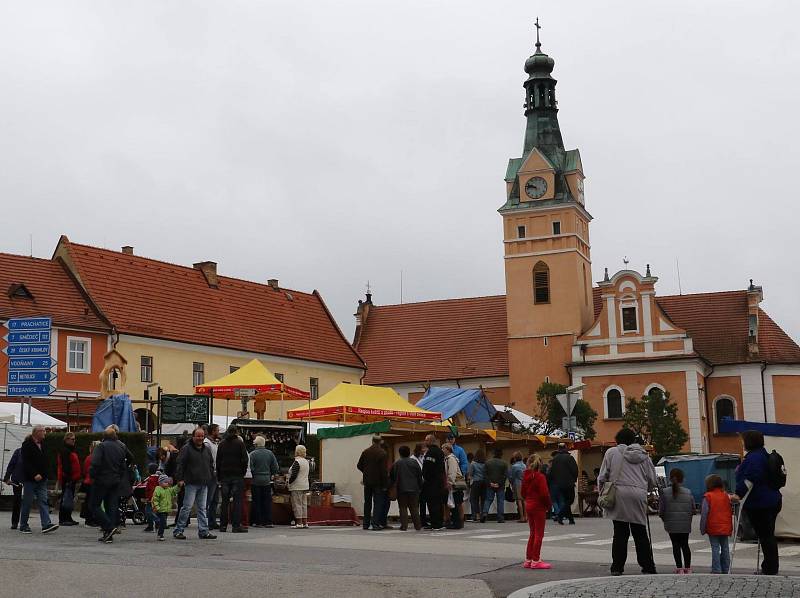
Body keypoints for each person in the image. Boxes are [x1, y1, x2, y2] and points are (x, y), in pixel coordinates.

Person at [597, 428, 657, 576]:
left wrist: (602, 492)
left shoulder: (611, 453)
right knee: (640, 532)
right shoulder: (644, 456)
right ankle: (647, 565)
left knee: (620, 533)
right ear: (633, 440)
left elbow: (602, 476)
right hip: (638, 494)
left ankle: (617, 567)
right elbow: (652, 480)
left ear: (618, 440)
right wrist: (644, 490)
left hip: (618, 494)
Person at [734, 430, 782, 575]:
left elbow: (750, 478)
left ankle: (770, 569)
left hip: (761, 502)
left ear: (749, 442)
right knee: (768, 536)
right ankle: (769, 566)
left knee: (766, 537)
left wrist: (738, 494)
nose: (742, 443)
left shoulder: (754, 458)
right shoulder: (763, 454)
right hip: (772, 499)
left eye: (743, 440)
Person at [89, 426, 132, 543]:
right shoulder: (121, 447)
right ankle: (109, 535)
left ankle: (109, 527)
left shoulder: (101, 446)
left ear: (104, 437)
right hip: (115, 481)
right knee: (111, 506)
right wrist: (119, 476)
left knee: (94, 505)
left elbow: (95, 463)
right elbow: (125, 464)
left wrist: (93, 475)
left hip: (101, 480)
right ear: (115, 436)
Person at [173, 428, 217, 540]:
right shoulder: (186, 449)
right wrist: (180, 479)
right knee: (187, 507)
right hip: (191, 482)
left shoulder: (206, 449)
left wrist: (210, 475)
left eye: (202, 436)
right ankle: (179, 530)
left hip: (204, 482)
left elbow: (211, 464)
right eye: (198, 436)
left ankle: (203, 531)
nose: (200, 438)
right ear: (193, 436)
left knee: (202, 509)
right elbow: (180, 464)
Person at [19, 426, 59, 535]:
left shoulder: (44, 445)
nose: (45, 433)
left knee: (43, 501)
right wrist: (34, 474)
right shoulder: (27, 445)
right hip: (30, 479)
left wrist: (44, 474)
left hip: (42, 479)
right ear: (36, 432)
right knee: (27, 502)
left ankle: (46, 524)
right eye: (43, 431)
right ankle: (23, 525)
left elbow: (47, 461)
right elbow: (26, 462)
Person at [659, 468, 694, 573]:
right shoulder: (688, 492)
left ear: (670, 478)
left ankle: (679, 568)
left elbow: (661, 510)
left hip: (671, 523)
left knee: (675, 545)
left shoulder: (664, 492)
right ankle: (687, 568)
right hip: (685, 523)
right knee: (685, 545)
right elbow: (692, 509)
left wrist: (664, 519)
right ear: (682, 479)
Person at [521, 454, 552, 569]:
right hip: (539, 506)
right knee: (539, 534)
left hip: (529, 504)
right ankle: (536, 560)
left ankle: (528, 559)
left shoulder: (526, 476)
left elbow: (523, 492)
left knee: (532, 533)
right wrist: (548, 505)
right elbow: (544, 494)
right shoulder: (540, 477)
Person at [216, 425, 249, 533]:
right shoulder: (240, 444)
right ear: (236, 432)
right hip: (237, 476)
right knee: (237, 501)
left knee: (224, 502)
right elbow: (245, 460)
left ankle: (223, 525)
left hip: (225, 476)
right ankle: (235, 526)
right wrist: (242, 473)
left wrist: (219, 476)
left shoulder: (221, 444)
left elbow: (218, 461)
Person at [700, 474, 733, 574]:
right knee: (725, 548)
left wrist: (702, 528)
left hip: (713, 526)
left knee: (715, 548)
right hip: (725, 526)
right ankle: (726, 568)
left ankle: (716, 569)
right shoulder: (726, 496)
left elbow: (704, 514)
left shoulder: (708, 496)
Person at [357, 435, 388, 531]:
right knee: (377, 503)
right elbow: (383, 471)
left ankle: (365, 524)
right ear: (380, 442)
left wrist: (366, 472)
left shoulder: (365, 452)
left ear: (372, 441)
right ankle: (375, 524)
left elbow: (359, 465)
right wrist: (385, 484)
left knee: (367, 503)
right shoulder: (382, 453)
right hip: (378, 482)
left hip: (367, 481)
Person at [250, 435, 280, 528]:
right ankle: (268, 521)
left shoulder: (252, 454)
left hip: (255, 480)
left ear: (256, 444)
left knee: (256, 501)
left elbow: (250, 468)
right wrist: (272, 474)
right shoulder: (270, 453)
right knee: (267, 501)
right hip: (266, 480)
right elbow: (276, 468)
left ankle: (257, 521)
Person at [391, 445, 423, 531]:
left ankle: (404, 526)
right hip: (414, 488)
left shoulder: (397, 463)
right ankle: (417, 526)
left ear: (400, 453)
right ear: (409, 452)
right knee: (414, 508)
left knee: (402, 507)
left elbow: (392, 476)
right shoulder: (414, 462)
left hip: (401, 489)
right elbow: (419, 475)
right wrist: (420, 487)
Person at [549, 443, 578, 525]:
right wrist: (574, 480)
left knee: (566, 501)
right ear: (565, 448)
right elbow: (575, 470)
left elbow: (552, 472)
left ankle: (571, 519)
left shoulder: (555, 459)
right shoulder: (569, 458)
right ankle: (560, 515)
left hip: (558, 484)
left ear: (558, 449)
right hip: (569, 483)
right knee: (570, 499)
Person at [421, 434, 446, 530]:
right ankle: (440, 522)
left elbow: (428, 467)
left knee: (432, 503)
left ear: (430, 441)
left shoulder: (431, 452)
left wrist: (425, 476)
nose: (425, 442)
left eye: (426, 440)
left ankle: (435, 523)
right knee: (439, 503)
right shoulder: (440, 451)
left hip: (431, 482)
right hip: (439, 481)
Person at [56, 432, 81, 526]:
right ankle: (63, 519)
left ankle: (68, 517)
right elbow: (66, 466)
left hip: (72, 478)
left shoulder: (70, 450)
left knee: (69, 498)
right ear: (66, 439)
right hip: (67, 479)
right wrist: (68, 478)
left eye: (74, 439)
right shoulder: (64, 451)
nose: (74, 441)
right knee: (66, 498)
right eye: (72, 439)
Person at [447, 433, 468, 525]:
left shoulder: (459, 450)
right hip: (450, 476)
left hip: (458, 477)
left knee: (459, 500)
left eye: (452, 438)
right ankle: (449, 519)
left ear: (454, 439)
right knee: (450, 500)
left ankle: (461, 518)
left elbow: (464, 463)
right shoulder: (444, 449)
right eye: (449, 438)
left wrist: (462, 474)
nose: (451, 440)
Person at [482, 448, 508, 523]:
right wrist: (499, 483)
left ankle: (484, 513)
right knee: (500, 501)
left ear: (494, 454)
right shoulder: (504, 463)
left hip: (490, 484)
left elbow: (485, 475)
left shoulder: (488, 463)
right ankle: (500, 517)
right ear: (501, 454)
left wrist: (490, 483)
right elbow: (505, 475)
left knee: (488, 499)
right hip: (500, 486)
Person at [443, 443, 465, 529]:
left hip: (455, 483)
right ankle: (457, 522)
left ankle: (456, 523)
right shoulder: (450, 458)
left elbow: (452, 471)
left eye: (443, 449)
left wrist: (450, 482)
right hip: (457, 482)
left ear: (448, 450)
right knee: (456, 503)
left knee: (455, 504)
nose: (442, 450)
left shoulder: (451, 459)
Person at [151, 475, 180, 541]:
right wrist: (157, 508)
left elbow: (174, 491)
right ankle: (160, 534)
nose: (167, 483)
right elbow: (155, 499)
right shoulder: (158, 490)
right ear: (160, 483)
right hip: (160, 510)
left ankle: (158, 526)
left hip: (166, 510)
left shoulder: (168, 489)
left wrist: (178, 486)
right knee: (163, 522)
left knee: (163, 523)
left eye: (168, 482)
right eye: (165, 482)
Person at [203, 423, 221, 530]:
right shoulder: (207, 443)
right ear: (213, 431)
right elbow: (207, 459)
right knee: (208, 499)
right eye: (217, 430)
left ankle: (212, 521)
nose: (219, 432)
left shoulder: (214, 443)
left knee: (215, 499)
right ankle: (206, 522)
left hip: (215, 473)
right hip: (210, 474)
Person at [288, 445, 310, 529]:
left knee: (297, 504)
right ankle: (305, 522)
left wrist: (289, 482)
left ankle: (299, 523)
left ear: (297, 452)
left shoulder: (297, 462)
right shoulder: (306, 461)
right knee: (304, 505)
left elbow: (294, 475)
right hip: (305, 485)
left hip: (297, 486)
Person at [2, 447, 24, 530]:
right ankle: (15, 522)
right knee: (17, 500)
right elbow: (11, 464)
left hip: (28, 479)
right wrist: (7, 477)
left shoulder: (33, 451)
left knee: (25, 501)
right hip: (17, 478)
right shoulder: (18, 451)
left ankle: (23, 522)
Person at [80, 441, 100, 527]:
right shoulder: (96, 458)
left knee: (89, 501)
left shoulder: (88, 457)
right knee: (92, 502)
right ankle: (90, 520)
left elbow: (84, 471)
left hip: (87, 482)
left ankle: (89, 519)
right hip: (93, 482)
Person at [468, 449, 487, 523]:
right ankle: (483, 514)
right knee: (483, 499)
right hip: (484, 482)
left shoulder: (473, 463)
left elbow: (471, 474)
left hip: (476, 482)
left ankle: (477, 515)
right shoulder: (485, 464)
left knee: (474, 499)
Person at [509, 452, 527, 523]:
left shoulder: (514, 466)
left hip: (517, 483)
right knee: (524, 500)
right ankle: (526, 516)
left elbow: (511, 477)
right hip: (524, 483)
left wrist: (511, 483)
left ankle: (522, 517)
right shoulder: (524, 465)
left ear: (515, 458)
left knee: (519, 500)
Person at [141, 463, 160, 533]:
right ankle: (151, 526)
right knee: (155, 511)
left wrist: (148, 498)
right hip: (157, 498)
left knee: (148, 511)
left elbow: (150, 490)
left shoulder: (150, 479)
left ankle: (154, 523)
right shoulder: (158, 478)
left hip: (151, 498)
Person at [413, 443, 428, 528]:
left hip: (423, 483)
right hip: (416, 484)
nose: (425, 450)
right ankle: (417, 520)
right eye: (423, 448)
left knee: (423, 503)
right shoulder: (413, 459)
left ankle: (423, 520)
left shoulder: (424, 457)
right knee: (416, 503)